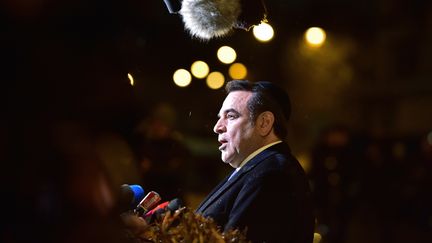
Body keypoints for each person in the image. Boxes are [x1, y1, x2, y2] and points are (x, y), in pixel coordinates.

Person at [195, 80, 315, 243]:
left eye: (230, 116)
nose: (217, 127)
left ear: (264, 123)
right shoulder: (258, 167)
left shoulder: (272, 174)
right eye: (219, 117)